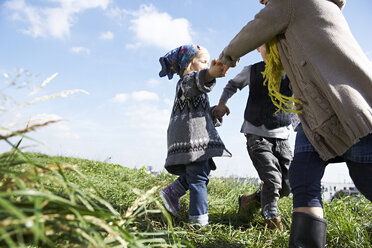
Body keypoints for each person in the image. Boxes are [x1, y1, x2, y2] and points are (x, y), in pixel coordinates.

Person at [218, 0, 372, 247]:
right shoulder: (317, 9)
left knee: (364, 176)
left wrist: (224, 59)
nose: (261, 1)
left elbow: (255, 27)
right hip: (313, 119)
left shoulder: (292, 2)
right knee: (301, 177)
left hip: (347, 110)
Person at [212, 44, 293, 231]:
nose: (273, 49)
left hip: (282, 136)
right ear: (258, 48)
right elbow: (232, 85)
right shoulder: (252, 70)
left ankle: (249, 200)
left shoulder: (292, 71)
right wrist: (222, 103)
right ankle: (271, 220)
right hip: (257, 134)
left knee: (288, 184)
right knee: (273, 180)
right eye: (267, 45)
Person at [158, 45, 231, 226]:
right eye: (204, 61)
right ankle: (198, 222)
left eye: (208, 62)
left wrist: (214, 112)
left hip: (194, 137)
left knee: (201, 171)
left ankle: (173, 191)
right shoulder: (186, 82)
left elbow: (201, 113)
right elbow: (200, 79)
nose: (207, 65)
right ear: (189, 64)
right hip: (189, 138)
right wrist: (211, 73)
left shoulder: (194, 89)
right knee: (199, 176)